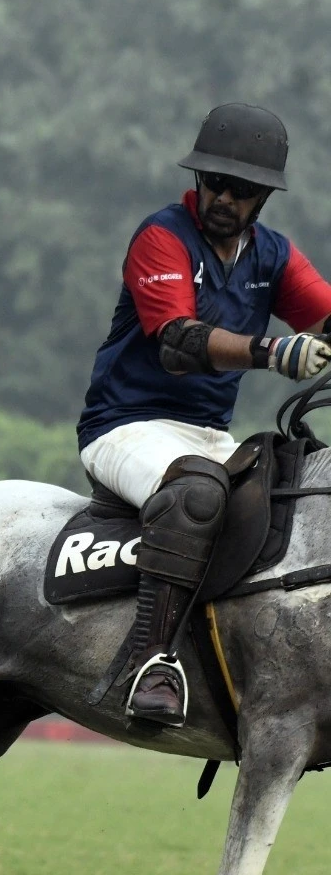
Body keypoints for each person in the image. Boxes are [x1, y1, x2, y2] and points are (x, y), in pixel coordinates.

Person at [77, 103, 331, 725]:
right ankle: (153, 663)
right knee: (196, 495)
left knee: (293, 491)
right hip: (124, 426)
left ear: (263, 196)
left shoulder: (271, 255)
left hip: (208, 435)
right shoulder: (161, 236)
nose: (224, 197)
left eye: (241, 190)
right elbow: (179, 342)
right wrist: (272, 350)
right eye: (214, 181)